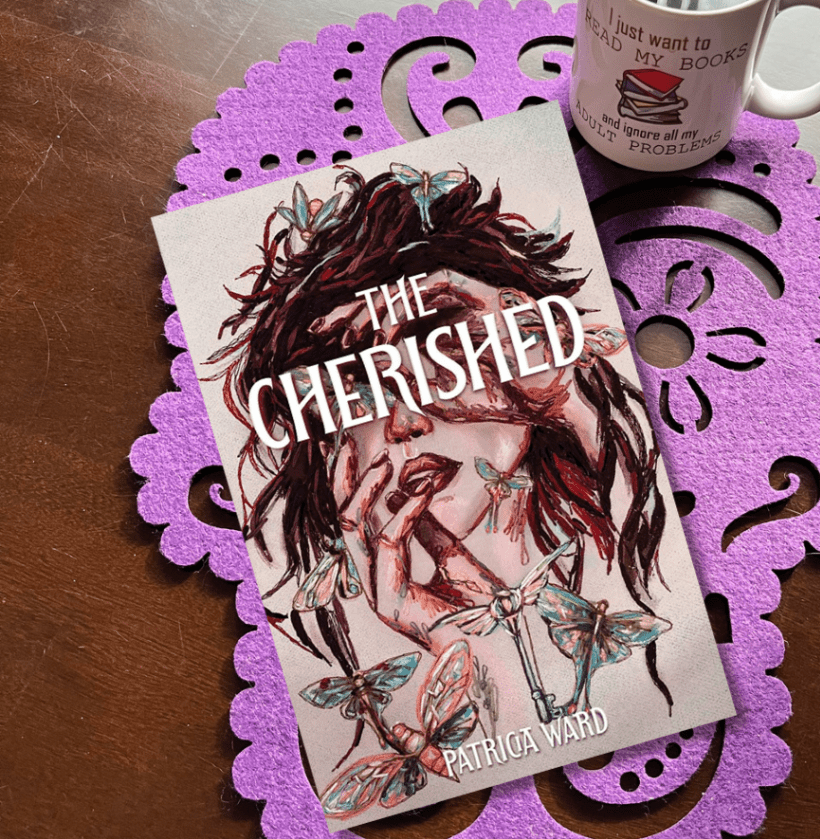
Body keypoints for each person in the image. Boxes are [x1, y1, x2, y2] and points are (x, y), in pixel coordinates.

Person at [210, 162, 673, 717]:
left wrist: (574, 404)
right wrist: (467, 651)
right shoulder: (321, 637)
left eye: (440, 353)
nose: (405, 422)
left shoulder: (639, 545)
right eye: (360, 386)